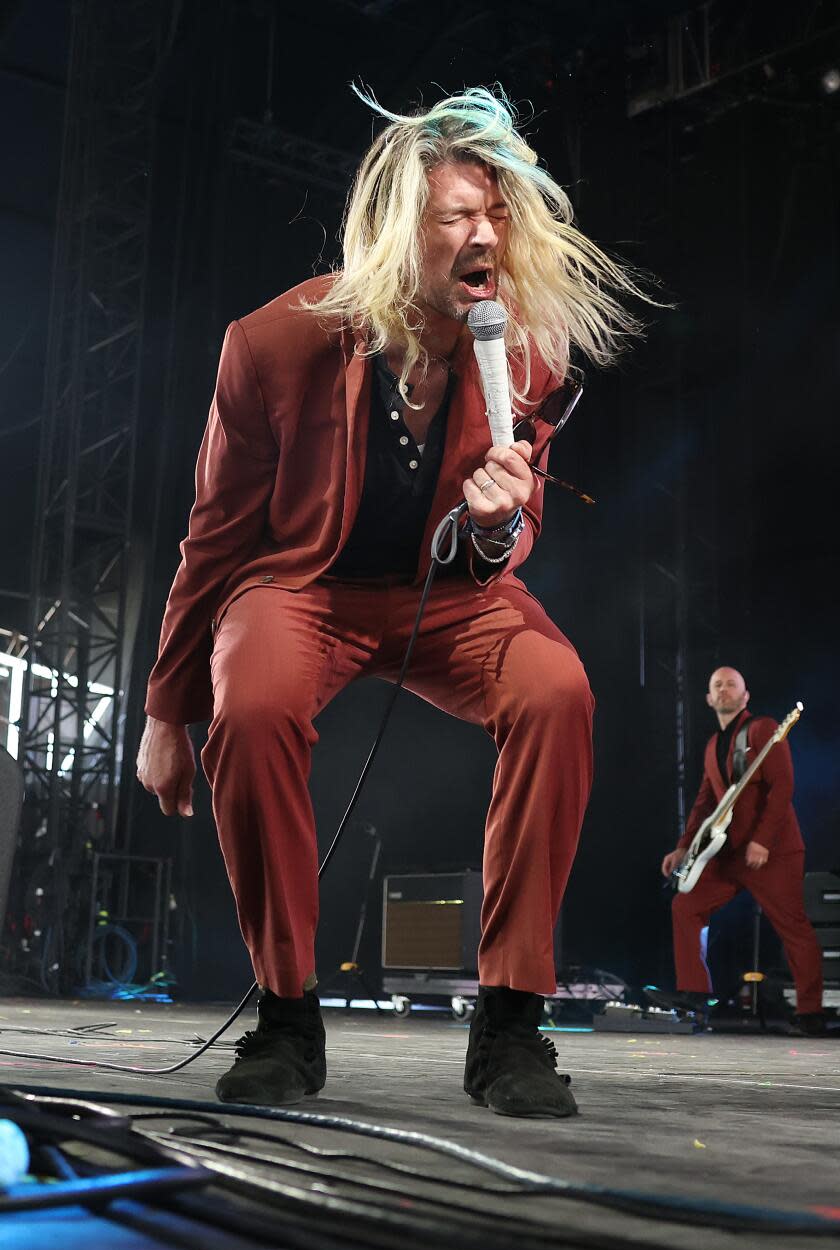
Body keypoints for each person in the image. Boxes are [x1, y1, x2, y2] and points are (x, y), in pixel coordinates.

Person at [137, 86, 646, 1117]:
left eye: (498, 213)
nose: (486, 235)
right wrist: (164, 708)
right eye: (458, 215)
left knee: (557, 693)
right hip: (302, 588)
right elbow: (216, 538)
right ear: (395, 230)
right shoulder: (271, 345)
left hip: (446, 600)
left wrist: (503, 522)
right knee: (257, 702)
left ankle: (509, 1025)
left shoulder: (526, 348)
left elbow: (514, 532)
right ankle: (286, 1019)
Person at [661, 666, 824, 1033]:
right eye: (716, 685)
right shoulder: (709, 747)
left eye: (731, 684)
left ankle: (811, 1012)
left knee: (793, 926)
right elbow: (705, 803)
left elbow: (782, 787)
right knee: (685, 905)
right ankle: (695, 995)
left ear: (745, 695)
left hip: (773, 851)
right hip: (730, 853)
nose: (723, 690)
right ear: (707, 698)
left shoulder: (763, 729)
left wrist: (762, 840)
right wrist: (683, 849)